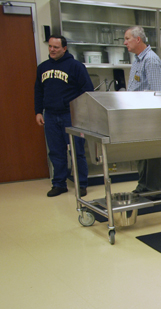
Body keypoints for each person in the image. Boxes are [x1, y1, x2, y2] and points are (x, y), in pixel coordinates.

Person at [35, 35, 93, 197]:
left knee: (77, 151)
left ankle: (81, 184)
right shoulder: (42, 68)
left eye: (56, 47)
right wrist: (38, 111)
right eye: (50, 47)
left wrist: (81, 113)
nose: (52, 50)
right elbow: (38, 91)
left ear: (64, 48)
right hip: (51, 116)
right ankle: (59, 184)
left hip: (71, 115)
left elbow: (87, 91)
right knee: (55, 151)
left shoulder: (76, 66)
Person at [124, 25, 161, 198]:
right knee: (141, 153)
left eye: (127, 39)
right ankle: (143, 186)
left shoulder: (151, 60)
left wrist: (152, 119)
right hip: (138, 115)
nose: (125, 42)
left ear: (138, 39)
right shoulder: (138, 60)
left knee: (152, 154)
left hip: (150, 116)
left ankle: (154, 190)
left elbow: (158, 92)